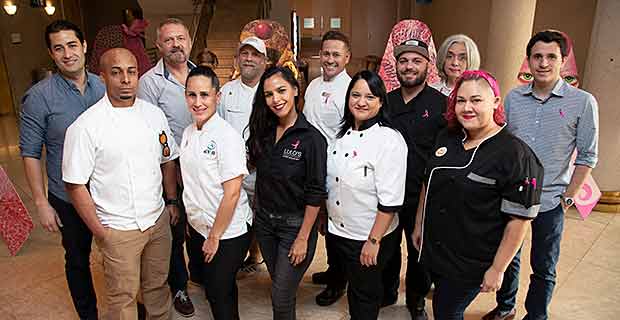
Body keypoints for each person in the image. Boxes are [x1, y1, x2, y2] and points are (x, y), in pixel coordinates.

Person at [483, 30, 599, 320]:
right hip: (513, 197)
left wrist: (569, 197)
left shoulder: (583, 102)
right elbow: (502, 144)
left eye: (551, 57)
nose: (543, 63)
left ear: (563, 61)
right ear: (529, 61)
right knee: (509, 258)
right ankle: (505, 307)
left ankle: (536, 316)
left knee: (544, 266)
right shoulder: (514, 98)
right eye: (537, 56)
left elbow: (587, 156)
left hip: (551, 201)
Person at [412, 70, 544, 320]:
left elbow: (519, 220)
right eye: (460, 100)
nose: (467, 107)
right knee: (442, 302)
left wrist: (498, 268)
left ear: (495, 102)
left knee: (447, 310)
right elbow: (428, 182)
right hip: (437, 250)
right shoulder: (447, 136)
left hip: (471, 261)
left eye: (476, 100)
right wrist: (420, 222)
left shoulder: (515, 155)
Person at [62, 48, 178, 320]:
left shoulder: (154, 115)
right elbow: (75, 185)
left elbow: (167, 159)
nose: (125, 79)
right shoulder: (86, 126)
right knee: (122, 298)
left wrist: (171, 201)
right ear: (102, 77)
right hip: (118, 228)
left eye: (131, 71)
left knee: (158, 287)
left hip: (157, 222)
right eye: (116, 73)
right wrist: (101, 232)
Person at [19, 19, 105, 320]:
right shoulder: (39, 97)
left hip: (108, 193)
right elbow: (30, 153)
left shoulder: (104, 86)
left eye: (71, 45)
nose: (67, 54)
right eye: (59, 48)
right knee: (78, 259)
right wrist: (41, 203)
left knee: (118, 256)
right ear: (52, 54)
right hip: (67, 198)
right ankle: (88, 315)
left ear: (83, 47)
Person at [247, 66, 327, 320]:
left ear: (295, 90)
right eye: (269, 94)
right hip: (265, 225)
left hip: (295, 228)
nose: (276, 99)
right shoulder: (264, 132)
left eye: (281, 90)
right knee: (282, 288)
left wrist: (303, 238)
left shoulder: (312, 139)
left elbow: (316, 192)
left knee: (280, 297)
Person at [326, 70, 407, 320]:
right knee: (356, 288)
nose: (361, 102)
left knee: (365, 296)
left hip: (369, 235)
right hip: (340, 231)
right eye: (356, 95)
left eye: (370, 97)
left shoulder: (388, 140)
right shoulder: (340, 136)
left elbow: (390, 201)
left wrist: (373, 242)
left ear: (381, 102)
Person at [181, 66, 253, 319]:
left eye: (204, 95)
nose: (198, 102)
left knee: (218, 292)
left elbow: (232, 193)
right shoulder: (188, 133)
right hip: (202, 226)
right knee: (217, 288)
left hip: (227, 231)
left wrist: (214, 236)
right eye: (192, 95)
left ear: (217, 97)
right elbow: (192, 182)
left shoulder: (227, 137)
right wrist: (193, 219)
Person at [382, 38, 446, 320]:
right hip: (386, 191)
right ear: (396, 65)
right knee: (387, 245)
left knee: (418, 250)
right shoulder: (386, 101)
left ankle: (416, 299)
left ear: (427, 66)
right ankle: (387, 290)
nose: (409, 66)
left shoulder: (441, 104)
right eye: (404, 61)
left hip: (422, 193)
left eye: (416, 61)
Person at [137, 17, 196, 316]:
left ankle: (201, 276)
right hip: (168, 172)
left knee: (201, 228)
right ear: (159, 45)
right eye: (169, 39)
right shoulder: (148, 82)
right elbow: (149, 133)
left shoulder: (202, 75)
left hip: (201, 173)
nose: (176, 44)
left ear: (190, 41)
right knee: (174, 234)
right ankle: (179, 286)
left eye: (181, 38)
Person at [303, 30, 352, 307]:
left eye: (336, 54)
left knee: (336, 226)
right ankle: (333, 270)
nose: (330, 59)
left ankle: (338, 281)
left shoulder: (349, 89)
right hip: (312, 165)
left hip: (335, 167)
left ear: (347, 57)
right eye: (326, 53)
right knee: (321, 220)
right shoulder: (312, 85)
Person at [217, 36, 268, 276]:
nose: (249, 59)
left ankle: (256, 255)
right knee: (236, 217)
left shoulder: (271, 91)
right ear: (237, 59)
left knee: (262, 218)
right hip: (233, 172)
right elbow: (217, 129)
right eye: (244, 54)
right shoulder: (226, 92)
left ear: (264, 61)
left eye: (255, 54)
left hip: (263, 172)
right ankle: (235, 259)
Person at [122, 7, 152, 77]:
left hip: (134, 43)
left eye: (129, 14)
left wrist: (127, 30)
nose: (128, 17)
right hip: (132, 43)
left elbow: (133, 31)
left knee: (139, 58)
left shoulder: (136, 23)